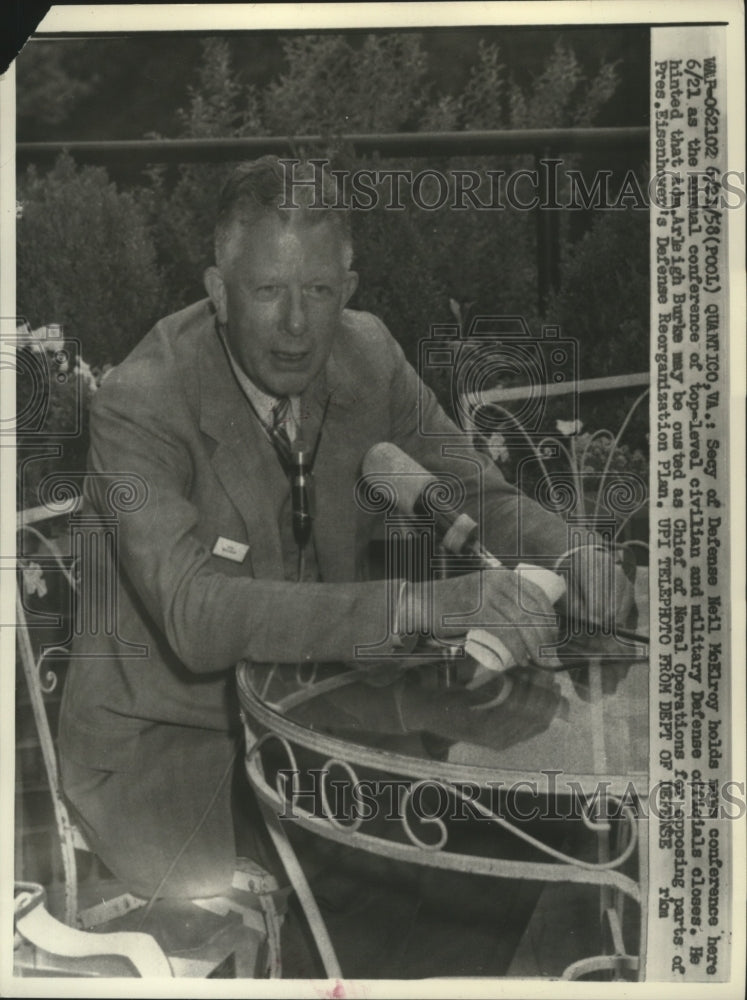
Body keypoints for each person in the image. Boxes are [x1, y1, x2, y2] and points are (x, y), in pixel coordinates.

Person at [58, 156, 630, 902]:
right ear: (218, 292)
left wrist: (573, 551)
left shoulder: (368, 354)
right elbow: (198, 615)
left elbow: (475, 492)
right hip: (174, 749)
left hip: (334, 714)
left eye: (320, 291)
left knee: (544, 849)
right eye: (268, 291)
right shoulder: (141, 400)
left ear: (348, 290)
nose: (297, 325)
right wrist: (424, 607)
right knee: (390, 908)